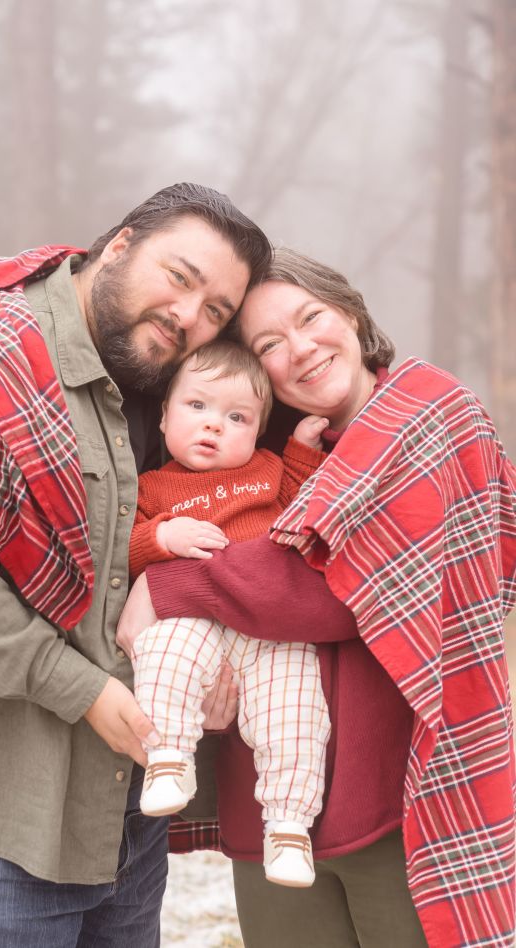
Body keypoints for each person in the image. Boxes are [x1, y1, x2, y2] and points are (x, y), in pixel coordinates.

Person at [0, 182, 272, 948]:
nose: (189, 316)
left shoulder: (174, 394)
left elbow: (184, 542)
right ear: (120, 245)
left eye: (216, 311)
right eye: (180, 277)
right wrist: (81, 688)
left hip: (121, 825)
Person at [117, 247, 516, 948]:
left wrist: (171, 582)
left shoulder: (426, 415)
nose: (299, 350)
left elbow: (336, 587)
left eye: (311, 319)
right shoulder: (255, 450)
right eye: (269, 344)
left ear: (353, 315)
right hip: (270, 809)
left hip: (395, 799)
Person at [128, 338, 332, 887]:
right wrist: (162, 535)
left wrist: (305, 445)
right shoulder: (151, 487)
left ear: (259, 429)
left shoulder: (267, 470)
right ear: (165, 416)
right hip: (193, 618)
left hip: (268, 628)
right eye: (197, 407)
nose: (214, 426)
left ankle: (289, 827)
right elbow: (126, 545)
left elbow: (302, 490)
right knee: (162, 653)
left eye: (236, 416)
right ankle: (168, 757)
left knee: (295, 707)